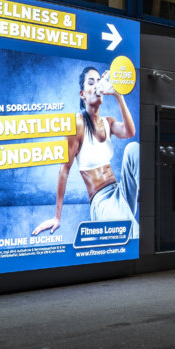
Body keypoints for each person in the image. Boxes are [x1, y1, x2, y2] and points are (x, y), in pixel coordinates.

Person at [32, 65, 139, 239]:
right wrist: (57, 217)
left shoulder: (108, 122)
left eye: (98, 81)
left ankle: (151, 201)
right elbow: (64, 170)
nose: (96, 86)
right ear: (82, 94)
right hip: (103, 202)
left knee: (133, 149)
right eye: (91, 83)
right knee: (134, 234)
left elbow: (130, 132)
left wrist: (118, 94)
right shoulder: (77, 125)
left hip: (121, 192)